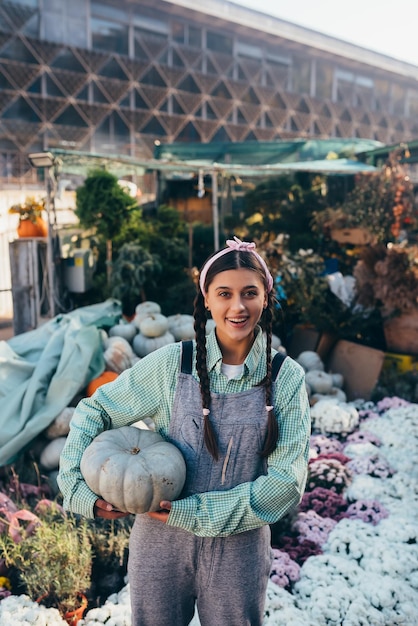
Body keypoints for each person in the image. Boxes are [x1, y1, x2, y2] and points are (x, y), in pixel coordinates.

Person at [58, 236, 311, 626]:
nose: (237, 306)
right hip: (159, 546)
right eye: (224, 293)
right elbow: (96, 409)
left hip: (239, 551)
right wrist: (77, 486)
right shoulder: (172, 366)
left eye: (250, 293)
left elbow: (285, 484)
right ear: (207, 298)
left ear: (266, 297)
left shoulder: (286, 379)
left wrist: (194, 513)